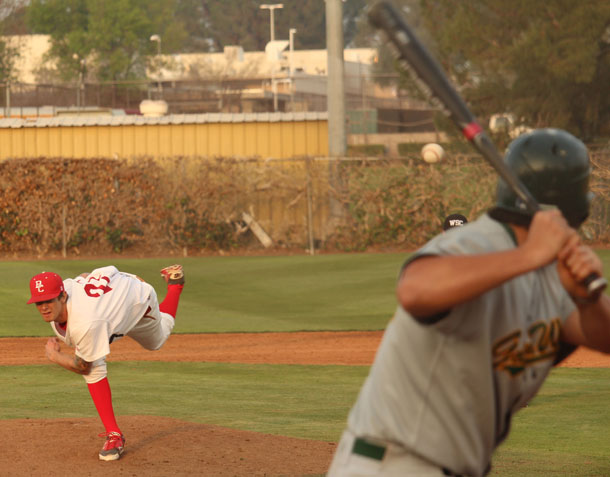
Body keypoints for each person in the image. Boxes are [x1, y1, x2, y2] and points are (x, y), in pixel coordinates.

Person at [327, 128, 610, 477]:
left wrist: (587, 297)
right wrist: (530, 255)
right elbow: (414, 290)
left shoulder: (555, 276)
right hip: (396, 463)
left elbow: (602, 336)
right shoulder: (471, 244)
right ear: (576, 208)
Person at [27, 264, 185, 461]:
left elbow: (84, 367)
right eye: (38, 302)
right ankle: (114, 435)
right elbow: (84, 275)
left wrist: (54, 356)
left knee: (156, 341)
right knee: (92, 352)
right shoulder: (67, 291)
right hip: (111, 296)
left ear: (62, 296)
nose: (43, 307)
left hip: (138, 299)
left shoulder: (87, 322)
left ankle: (175, 285)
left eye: (49, 300)